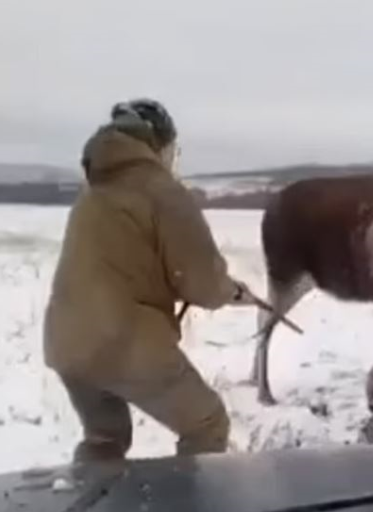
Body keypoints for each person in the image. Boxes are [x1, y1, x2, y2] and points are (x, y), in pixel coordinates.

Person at [43, 98, 253, 464]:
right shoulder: (163, 190)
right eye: (173, 149)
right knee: (206, 424)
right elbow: (200, 281)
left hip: (66, 342)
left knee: (104, 439)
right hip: (121, 340)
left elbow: (127, 263)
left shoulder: (94, 192)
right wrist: (231, 291)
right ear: (159, 143)